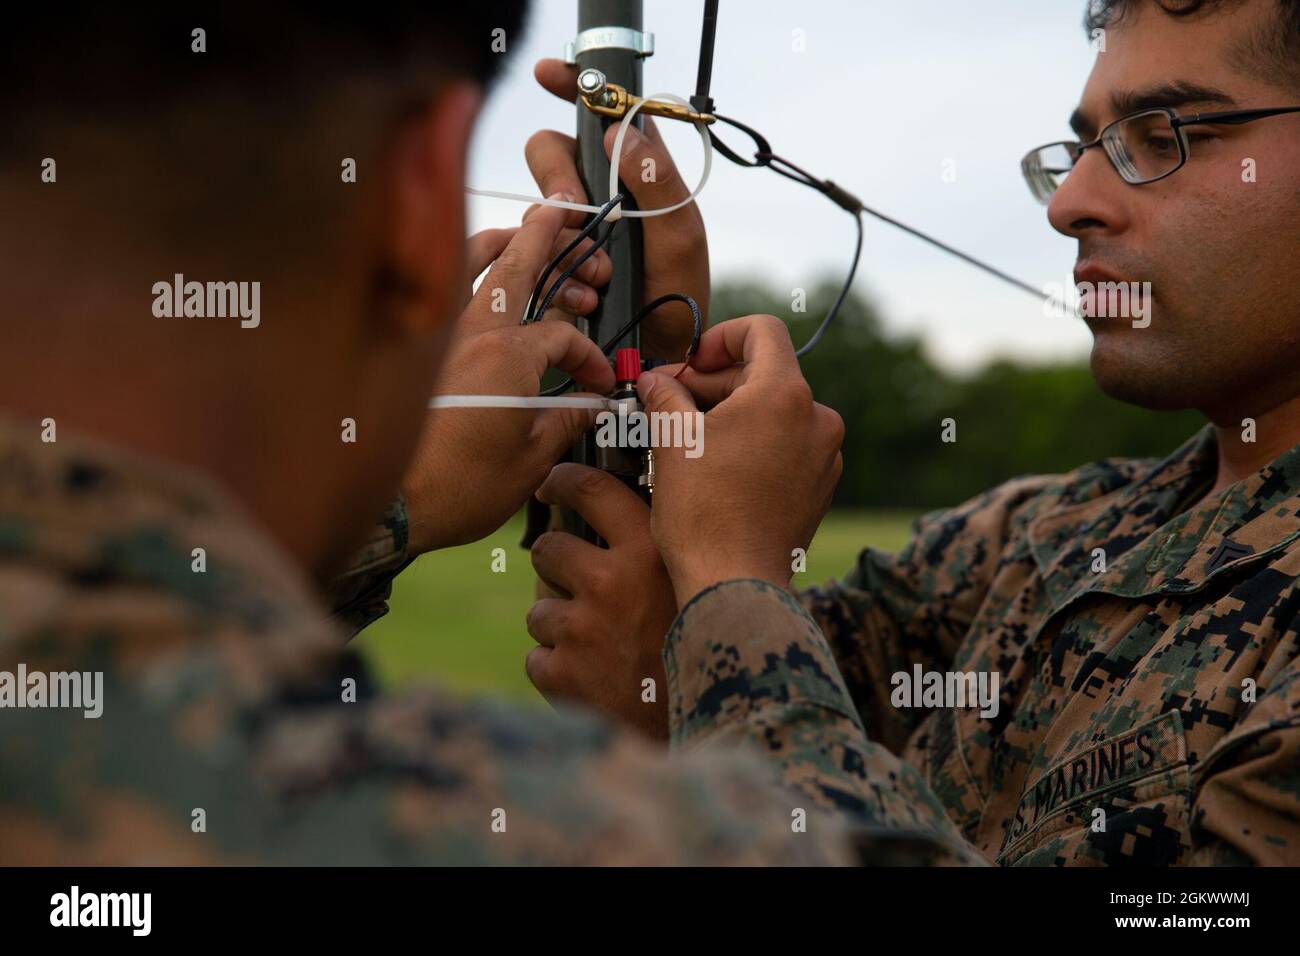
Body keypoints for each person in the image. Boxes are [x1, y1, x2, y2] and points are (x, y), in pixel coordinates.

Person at [0, 5, 974, 865]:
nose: (1066, 206)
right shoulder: (492, 820)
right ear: (426, 188)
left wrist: (409, 504)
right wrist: (733, 585)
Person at [529, 0, 1300, 864]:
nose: (1072, 204)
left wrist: (728, 586)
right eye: (1083, 148)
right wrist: (647, 369)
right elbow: (734, 658)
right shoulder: (1045, 539)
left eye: (1165, 139)